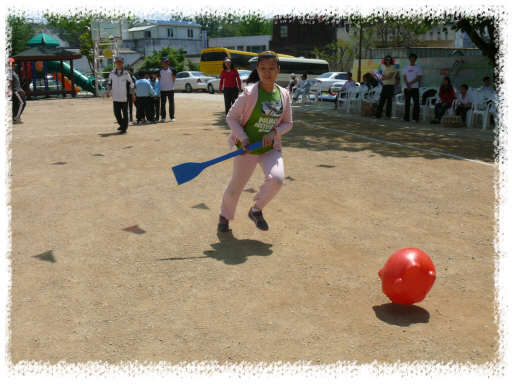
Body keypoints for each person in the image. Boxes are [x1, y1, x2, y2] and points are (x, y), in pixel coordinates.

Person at [218, 51, 293, 233]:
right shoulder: (249, 93)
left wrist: (275, 131)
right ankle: (224, 216)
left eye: (272, 68)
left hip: (269, 148)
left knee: (277, 179)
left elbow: (288, 123)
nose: (267, 72)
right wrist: (243, 139)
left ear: (278, 70)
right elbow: (231, 117)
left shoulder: (284, 94)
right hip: (248, 148)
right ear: (257, 70)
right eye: (263, 68)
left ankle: (256, 210)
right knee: (236, 186)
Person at [106, 56, 136, 134]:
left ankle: (124, 129)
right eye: (117, 61)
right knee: (116, 113)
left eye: (120, 62)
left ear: (122, 63)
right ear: (115, 63)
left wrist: (133, 94)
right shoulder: (112, 73)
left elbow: (132, 83)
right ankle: (122, 124)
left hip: (124, 97)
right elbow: (109, 83)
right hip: (115, 97)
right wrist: (108, 91)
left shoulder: (126, 73)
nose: (119, 63)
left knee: (125, 113)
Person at [401, 53, 423, 123]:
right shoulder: (406, 68)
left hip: (415, 87)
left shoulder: (418, 68)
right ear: (409, 59)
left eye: (413, 58)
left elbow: (418, 77)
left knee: (416, 103)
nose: (412, 60)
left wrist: (410, 83)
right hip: (407, 87)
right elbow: (404, 77)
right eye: (411, 58)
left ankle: (415, 118)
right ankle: (406, 117)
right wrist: (407, 84)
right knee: (407, 103)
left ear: (415, 59)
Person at [375, 55, 396, 119]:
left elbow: (390, 76)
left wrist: (385, 78)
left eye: (388, 59)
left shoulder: (393, 67)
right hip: (385, 85)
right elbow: (382, 77)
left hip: (390, 85)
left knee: (389, 101)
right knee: (381, 100)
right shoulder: (385, 68)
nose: (387, 61)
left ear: (391, 60)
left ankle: (388, 115)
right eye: (386, 60)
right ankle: (378, 115)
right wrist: (385, 78)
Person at [8, 58, 26, 124]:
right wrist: (10, 91)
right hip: (15, 91)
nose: (12, 65)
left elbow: (15, 82)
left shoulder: (13, 71)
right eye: (11, 63)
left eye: (13, 63)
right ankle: (17, 117)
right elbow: (9, 82)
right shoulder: (9, 72)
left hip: (17, 90)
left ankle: (14, 119)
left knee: (15, 105)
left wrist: (21, 89)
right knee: (23, 102)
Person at [159, 57, 177, 122]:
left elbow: (174, 78)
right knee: (163, 103)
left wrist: (170, 84)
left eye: (167, 61)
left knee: (171, 103)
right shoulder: (160, 70)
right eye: (164, 62)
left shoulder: (172, 70)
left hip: (170, 89)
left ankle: (172, 116)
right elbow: (159, 79)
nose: (166, 63)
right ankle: (163, 117)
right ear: (162, 63)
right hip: (162, 89)